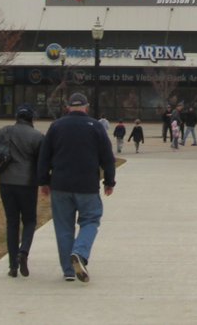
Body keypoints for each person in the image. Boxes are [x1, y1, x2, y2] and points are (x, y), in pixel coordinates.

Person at [37, 92, 115, 283]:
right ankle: (79, 252)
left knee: (63, 227)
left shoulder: (56, 126)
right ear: (86, 108)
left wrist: (43, 181)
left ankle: (68, 271)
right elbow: (107, 157)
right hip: (87, 185)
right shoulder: (96, 127)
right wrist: (109, 182)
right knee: (91, 220)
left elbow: (44, 156)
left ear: (68, 108)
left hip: (60, 184)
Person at [0, 105, 45, 278]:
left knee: (12, 222)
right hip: (27, 184)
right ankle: (24, 251)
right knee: (29, 220)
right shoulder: (37, 137)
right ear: (31, 119)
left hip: (6, 182)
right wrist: (42, 180)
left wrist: (1, 172)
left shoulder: (4, 131)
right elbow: (42, 164)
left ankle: (13, 265)